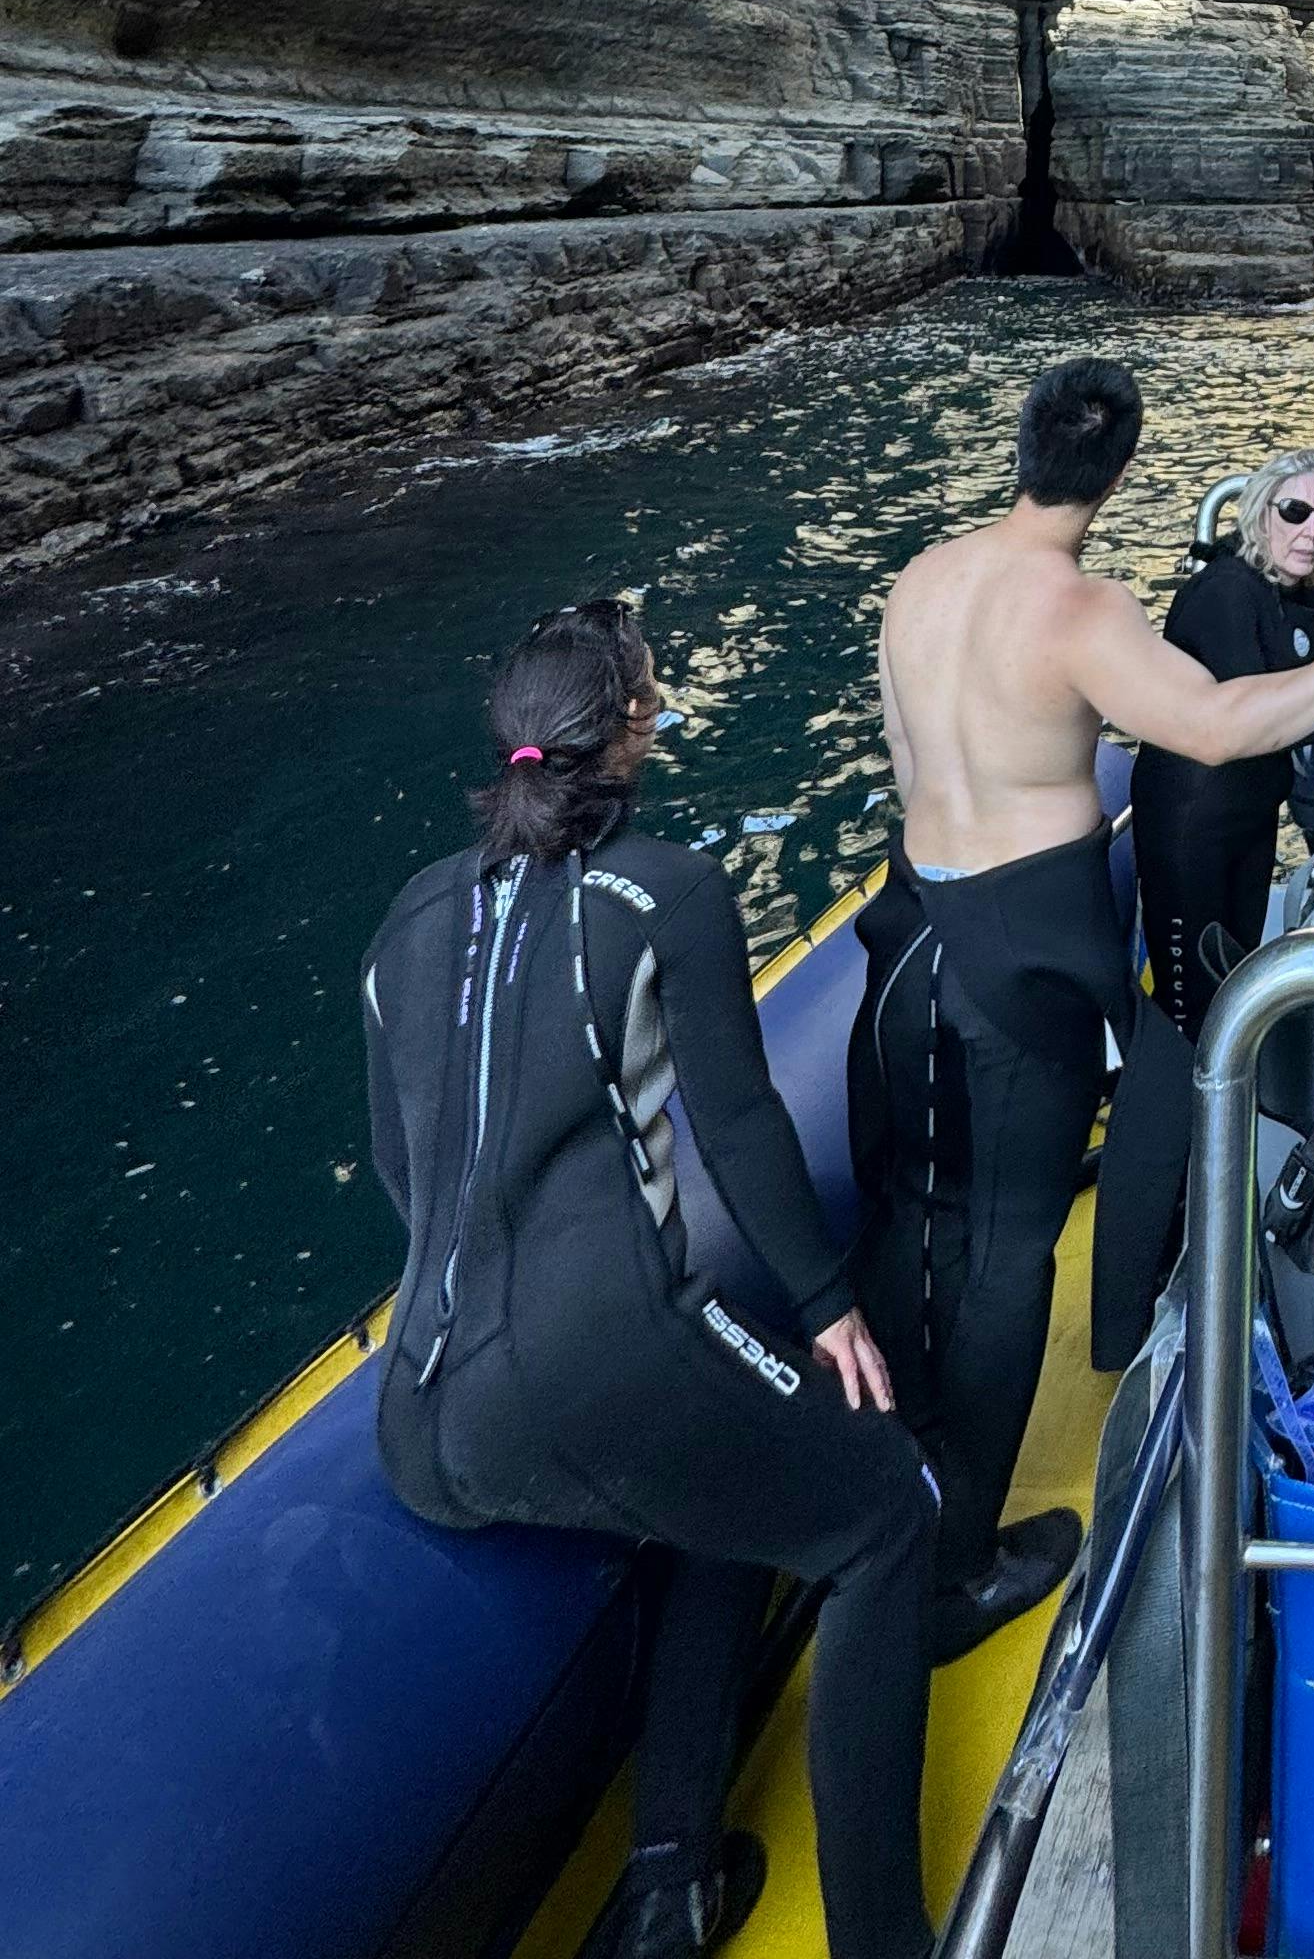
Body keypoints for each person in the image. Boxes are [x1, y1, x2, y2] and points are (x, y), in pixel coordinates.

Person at [853, 357, 1314, 1650]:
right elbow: (1218, 727)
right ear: (1122, 474)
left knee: (924, 1221)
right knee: (1015, 1253)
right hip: (1027, 944)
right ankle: (953, 1573)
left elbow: (909, 759)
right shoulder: (1079, 608)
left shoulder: (922, 578)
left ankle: (884, 1512)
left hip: (915, 929)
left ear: (1020, 444)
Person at [362, 599, 935, 1959]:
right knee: (886, 1514)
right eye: (656, 698)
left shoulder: (411, 912)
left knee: (717, 1487)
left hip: (417, 1416)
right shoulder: (661, 886)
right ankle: (887, 1937)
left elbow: (403, 1168)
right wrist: (829, 1307)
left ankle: (673, 1882)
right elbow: (737, 1125)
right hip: (592, 1368)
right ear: (630, 730)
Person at [1132, 442, 1314, 1037]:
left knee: (1238, 983)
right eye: (1294, 513)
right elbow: (1254, 717)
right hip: (1192, 824)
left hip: (1252, 816)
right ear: (1262, 512)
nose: (1311, 531)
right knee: (1191, 1007)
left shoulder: (1309, 601)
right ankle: (1173, 1120)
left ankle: (1232, 1108)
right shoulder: (1225, 593)